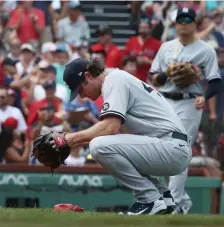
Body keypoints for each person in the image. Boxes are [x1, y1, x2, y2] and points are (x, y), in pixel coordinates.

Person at [55, 57, 192, 215]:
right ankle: (161, 195)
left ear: (88, 76)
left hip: (171, 147)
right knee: (110, 145)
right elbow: (121, 135)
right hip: (170, 146)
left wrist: (69, 139)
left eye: (80, 89)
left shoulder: (114, 80)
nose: (82, 96)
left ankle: (148, 199)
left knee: (98, 146)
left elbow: (109, 128)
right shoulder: (116, 78)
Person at [149, 8, 222, 214]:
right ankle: (182, 202)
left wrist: (204, 97)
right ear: (175, 24)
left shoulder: (205, 50)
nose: (183, 23)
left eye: (188, 20)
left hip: (189, 104)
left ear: (195, 23)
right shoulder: (166, 47)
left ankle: (171, 203)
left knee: (180, 150)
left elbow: (216, 82)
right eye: (180, 20)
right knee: (160, 151)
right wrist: (167, 73)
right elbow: (154, 78)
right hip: (165, 101)